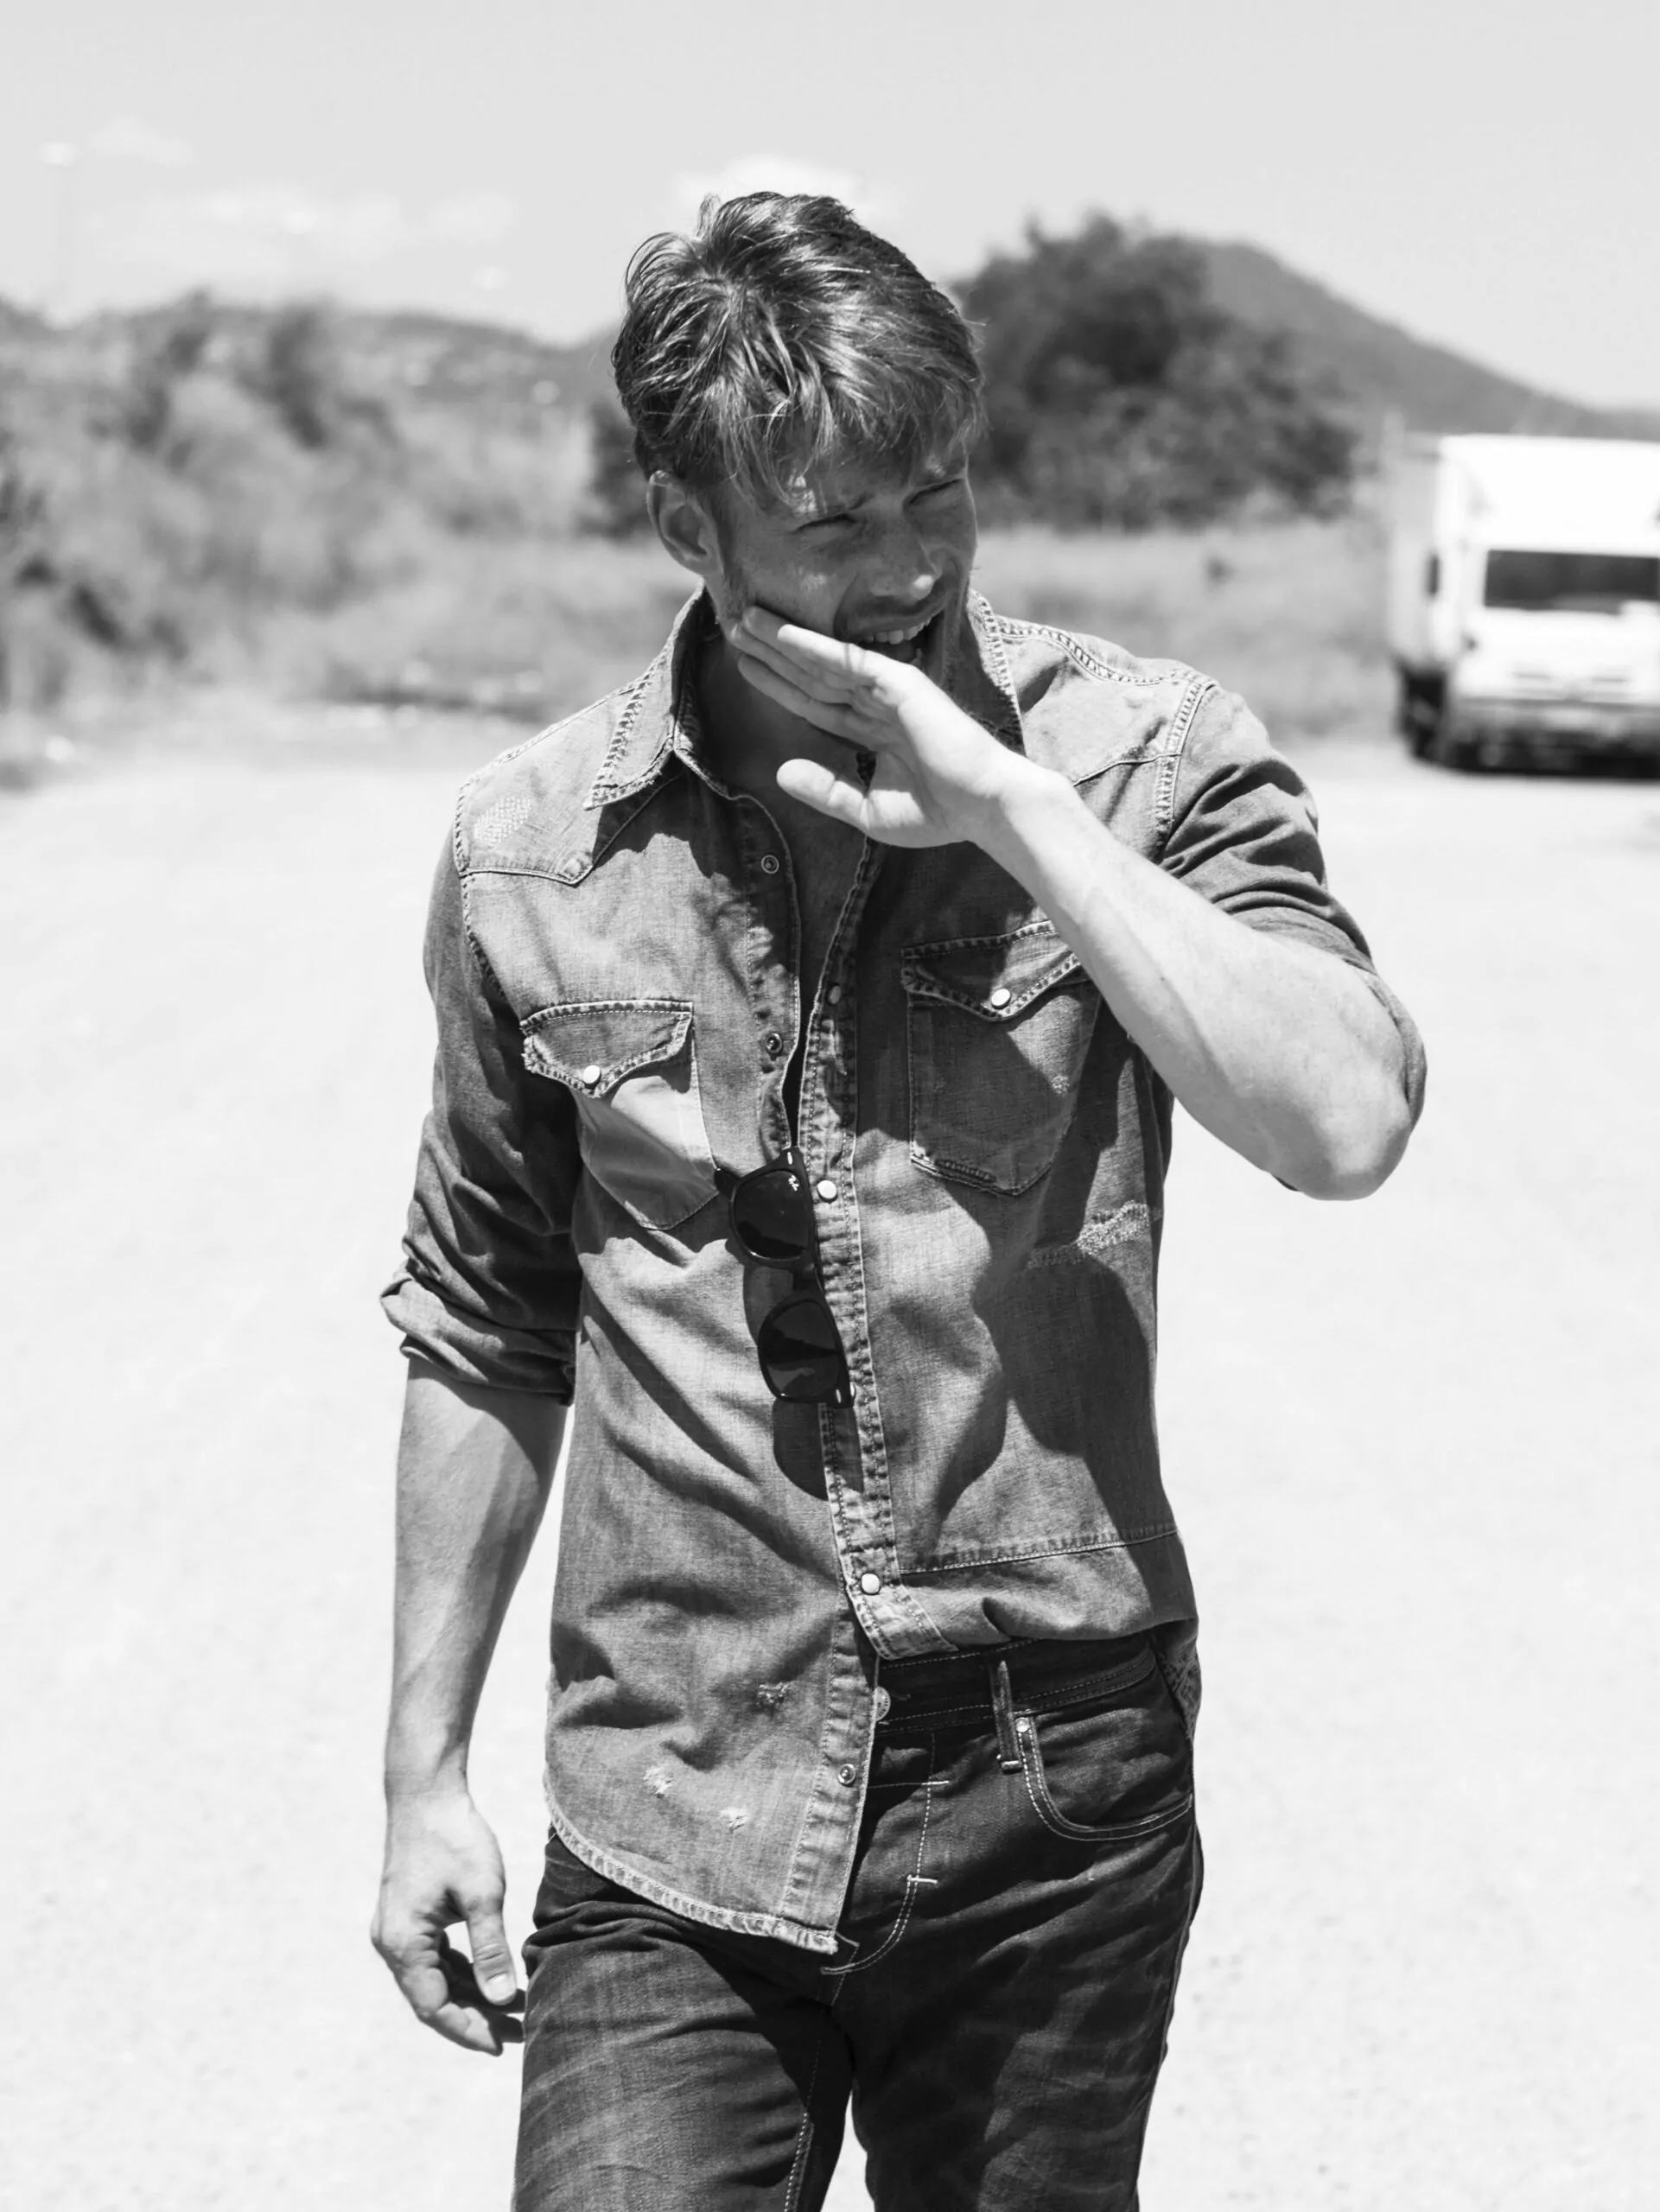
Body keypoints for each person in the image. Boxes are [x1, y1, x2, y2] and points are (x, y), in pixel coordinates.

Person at [371, 192, 1425, 2210]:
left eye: (939, 487)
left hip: (1052, 1787)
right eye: (836, 521)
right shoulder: (533, 849)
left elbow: (1345, 1118)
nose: (914, 562)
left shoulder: (1142, 764)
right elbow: (486, 1318)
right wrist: (422, 1773)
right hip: (671, 1792)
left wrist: (1014, 812)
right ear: (688, 527)